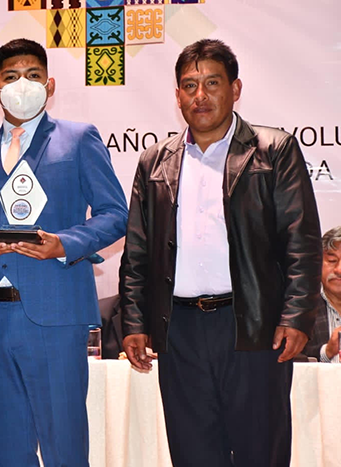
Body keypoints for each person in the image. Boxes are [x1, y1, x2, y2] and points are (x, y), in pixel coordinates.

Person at [119, 38, 322, 467]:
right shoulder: (155, 161)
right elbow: (137, 252)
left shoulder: (274, 150)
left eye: (212, 83)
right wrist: (134, 322)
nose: (201, 95)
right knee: (193, 454)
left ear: (235, 88)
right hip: (179, 332)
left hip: (252, 326)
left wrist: (295, 316)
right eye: (189, 85)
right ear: (177, 95)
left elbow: (301, 242)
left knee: (259, 452)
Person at [0, 38, 128, 467]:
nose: (23, 84)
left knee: (64, 447)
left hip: (55, 313)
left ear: (50, 85)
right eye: (11, 76)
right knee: (7, 450)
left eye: (33, 75)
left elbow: (115, 215)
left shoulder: (78, 139)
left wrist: (65, 244)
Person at [304, 226, 341, 363]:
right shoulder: (302, 310)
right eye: (332, 261)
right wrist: (327, 351)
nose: (339, 270)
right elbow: (291, 358)